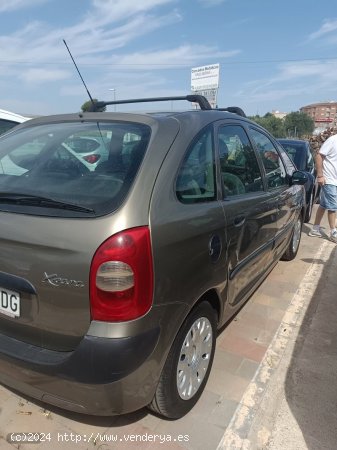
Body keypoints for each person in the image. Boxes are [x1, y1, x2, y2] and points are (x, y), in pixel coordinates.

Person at [309, 133, 337, 243]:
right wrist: (320, 175)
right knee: (333, 206)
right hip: (329, 179)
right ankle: (333, 232)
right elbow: (319, 156)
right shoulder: (333, 140)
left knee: (324, 205)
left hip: (334, 180)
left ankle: (315, 229)